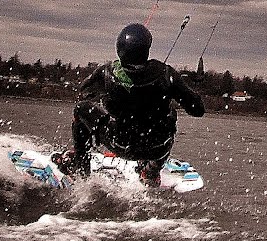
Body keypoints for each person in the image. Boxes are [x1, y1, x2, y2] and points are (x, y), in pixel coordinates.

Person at [54, 22, 205, 185]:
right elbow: (198, 110)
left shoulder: (106, 73)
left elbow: (84, 93)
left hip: (119, 143)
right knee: (170, 115)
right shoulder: (167, 74)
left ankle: (80, 165)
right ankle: (151, 171)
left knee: (81, 110)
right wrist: (180, 86)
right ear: (146, 50)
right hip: (157, 148)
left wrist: (111, 95)